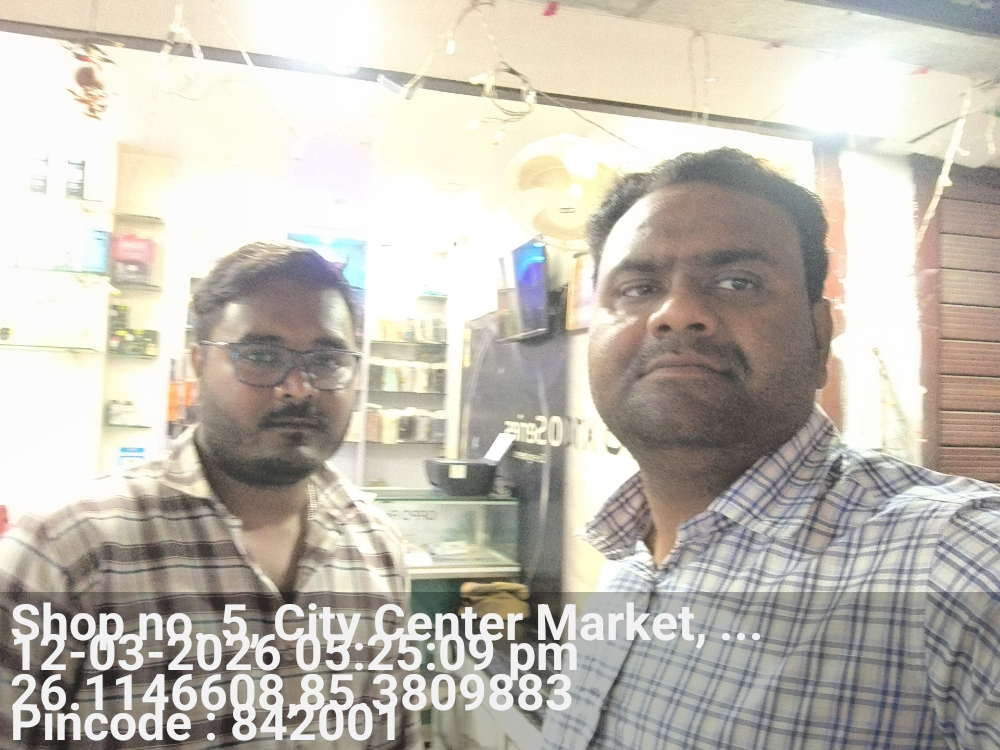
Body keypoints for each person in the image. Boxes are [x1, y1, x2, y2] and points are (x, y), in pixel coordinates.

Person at [540, 149, 1000, 749]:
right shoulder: (629, 559)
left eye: (739, 282)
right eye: (638, 287)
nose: (676, 314)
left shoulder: (955, 567)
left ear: (819, 337)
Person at [0, 243, 410, 748]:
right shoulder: (67, 552)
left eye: (326, 360)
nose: (298, 388)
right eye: (261, 356)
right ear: (198, 364)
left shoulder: (377, 548)